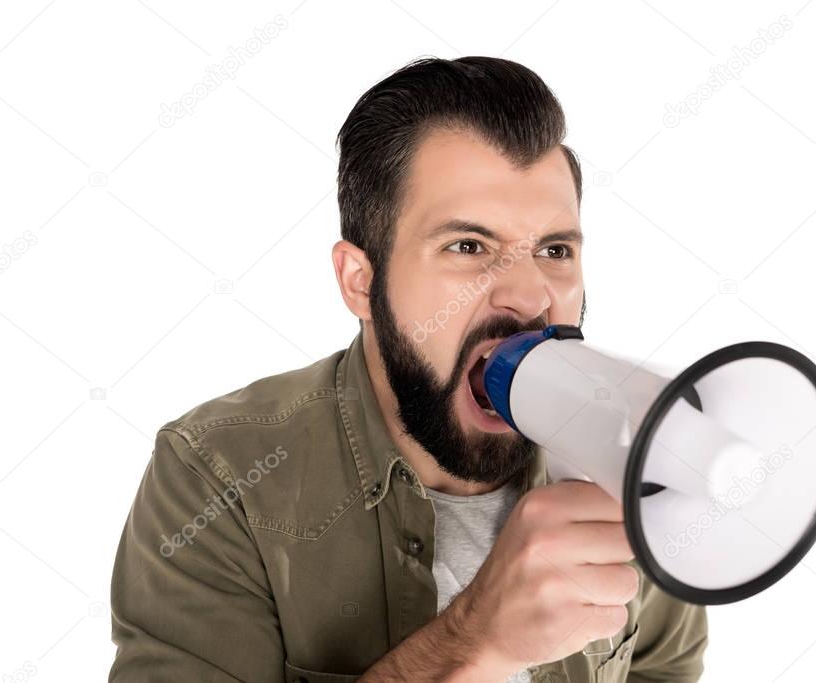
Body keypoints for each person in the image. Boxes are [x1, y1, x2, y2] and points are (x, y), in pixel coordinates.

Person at [109, 56, 708, 682]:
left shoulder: (633, 456)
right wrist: (476, 640)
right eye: (469, 247)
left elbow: (662, 667)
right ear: (361, 282)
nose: (531, 298)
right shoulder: (217, 475)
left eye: (555, 251)